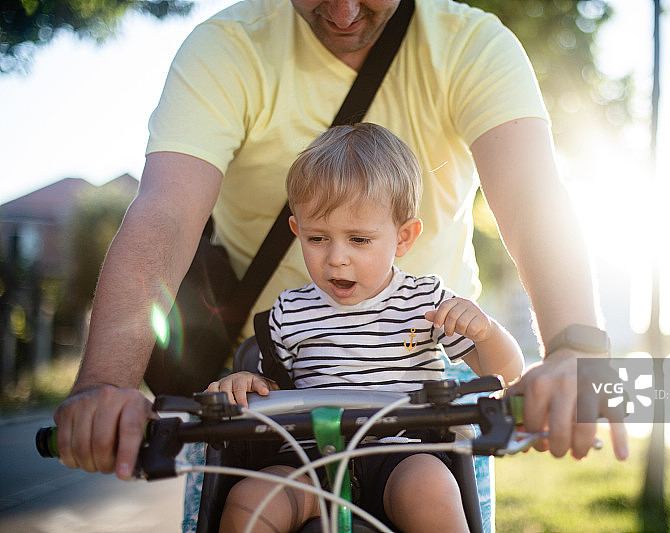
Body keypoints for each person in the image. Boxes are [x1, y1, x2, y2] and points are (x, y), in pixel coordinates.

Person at [53, 0, 628, 485]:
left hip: (430, 399)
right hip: (272, 392)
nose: (345, 13)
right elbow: (167, 212)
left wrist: (575, 348)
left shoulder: (470, 44)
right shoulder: (226, 48)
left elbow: (532, 196)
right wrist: (107, 382)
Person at [206, 123, 524, 532]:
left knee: (431, 488)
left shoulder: (427, 303)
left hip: (404, 457)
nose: (336, 258)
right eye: (318, 238)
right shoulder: (288, 312)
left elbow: (506, 373)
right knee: (249, 502)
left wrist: (487, 333)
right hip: (310, 463)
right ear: (297, 230)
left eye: (358, 239)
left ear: (404, 237)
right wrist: (247, 382)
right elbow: (272, 394)